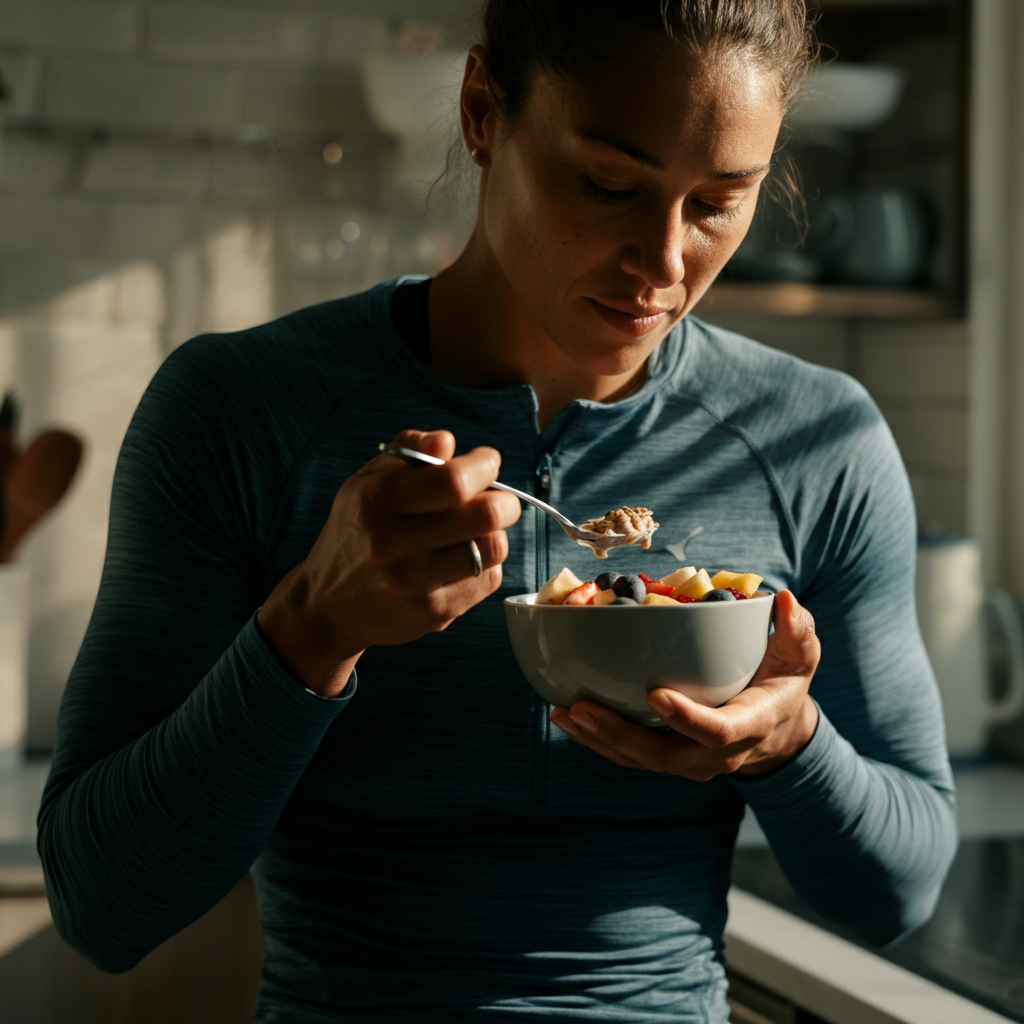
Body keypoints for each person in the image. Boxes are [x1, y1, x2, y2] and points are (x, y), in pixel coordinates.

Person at [38, 2, 957, 1021]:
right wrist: (311, 627)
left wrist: (787, 748)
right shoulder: (241, 410)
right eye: (609, 185)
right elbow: (101, 905)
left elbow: (896, 894)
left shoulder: (814, 441)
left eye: (717, 203)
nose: (661, 266)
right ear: (482, 109)